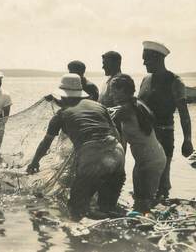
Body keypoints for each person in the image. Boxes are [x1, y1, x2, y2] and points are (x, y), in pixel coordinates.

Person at [27, 74, 125, 220]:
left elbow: (45, 143)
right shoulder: (99, 106)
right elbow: (116, 134)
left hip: (92, 155)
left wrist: (34, 162)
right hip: (117, 152)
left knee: (75, 207)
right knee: (107, 206)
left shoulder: (61, 115)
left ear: (63, 96)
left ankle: (77, 241)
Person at [138, 41, 194, 200]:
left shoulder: (175, 81)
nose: (143, 63)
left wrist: (187, 140)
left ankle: (162, 203)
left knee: (162, 177)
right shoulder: (145, 79)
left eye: (146, 59)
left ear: (158, 59)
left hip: (164, 135)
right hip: (144, 135)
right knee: (144, 174)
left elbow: (184, 114)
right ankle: (145, 206)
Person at [110, 74, 166, 213]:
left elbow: (106, 119)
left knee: (144, 204)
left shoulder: (126, 109)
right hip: (149, 158)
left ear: (123, 90)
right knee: (140, 201)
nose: (111, 94)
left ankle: (146, 230)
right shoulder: (137, 103)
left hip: (149, 161)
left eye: (114, 90)